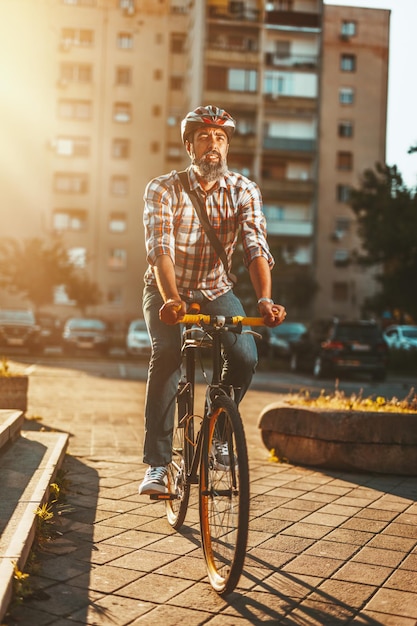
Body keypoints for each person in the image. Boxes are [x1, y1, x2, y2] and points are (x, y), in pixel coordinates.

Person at [139, 105, 286, 495]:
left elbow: (256, 248)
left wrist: (265, 300)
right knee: (167, 355)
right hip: (166, 288)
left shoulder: (244, 190)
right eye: (204, 137)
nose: (213, 145)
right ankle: (158, 465)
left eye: (220, 138)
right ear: (190, 146)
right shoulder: (163, 188)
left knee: (245, 357)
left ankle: (219, 431)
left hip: (217, 287)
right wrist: (171, 299)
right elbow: (160, 249)